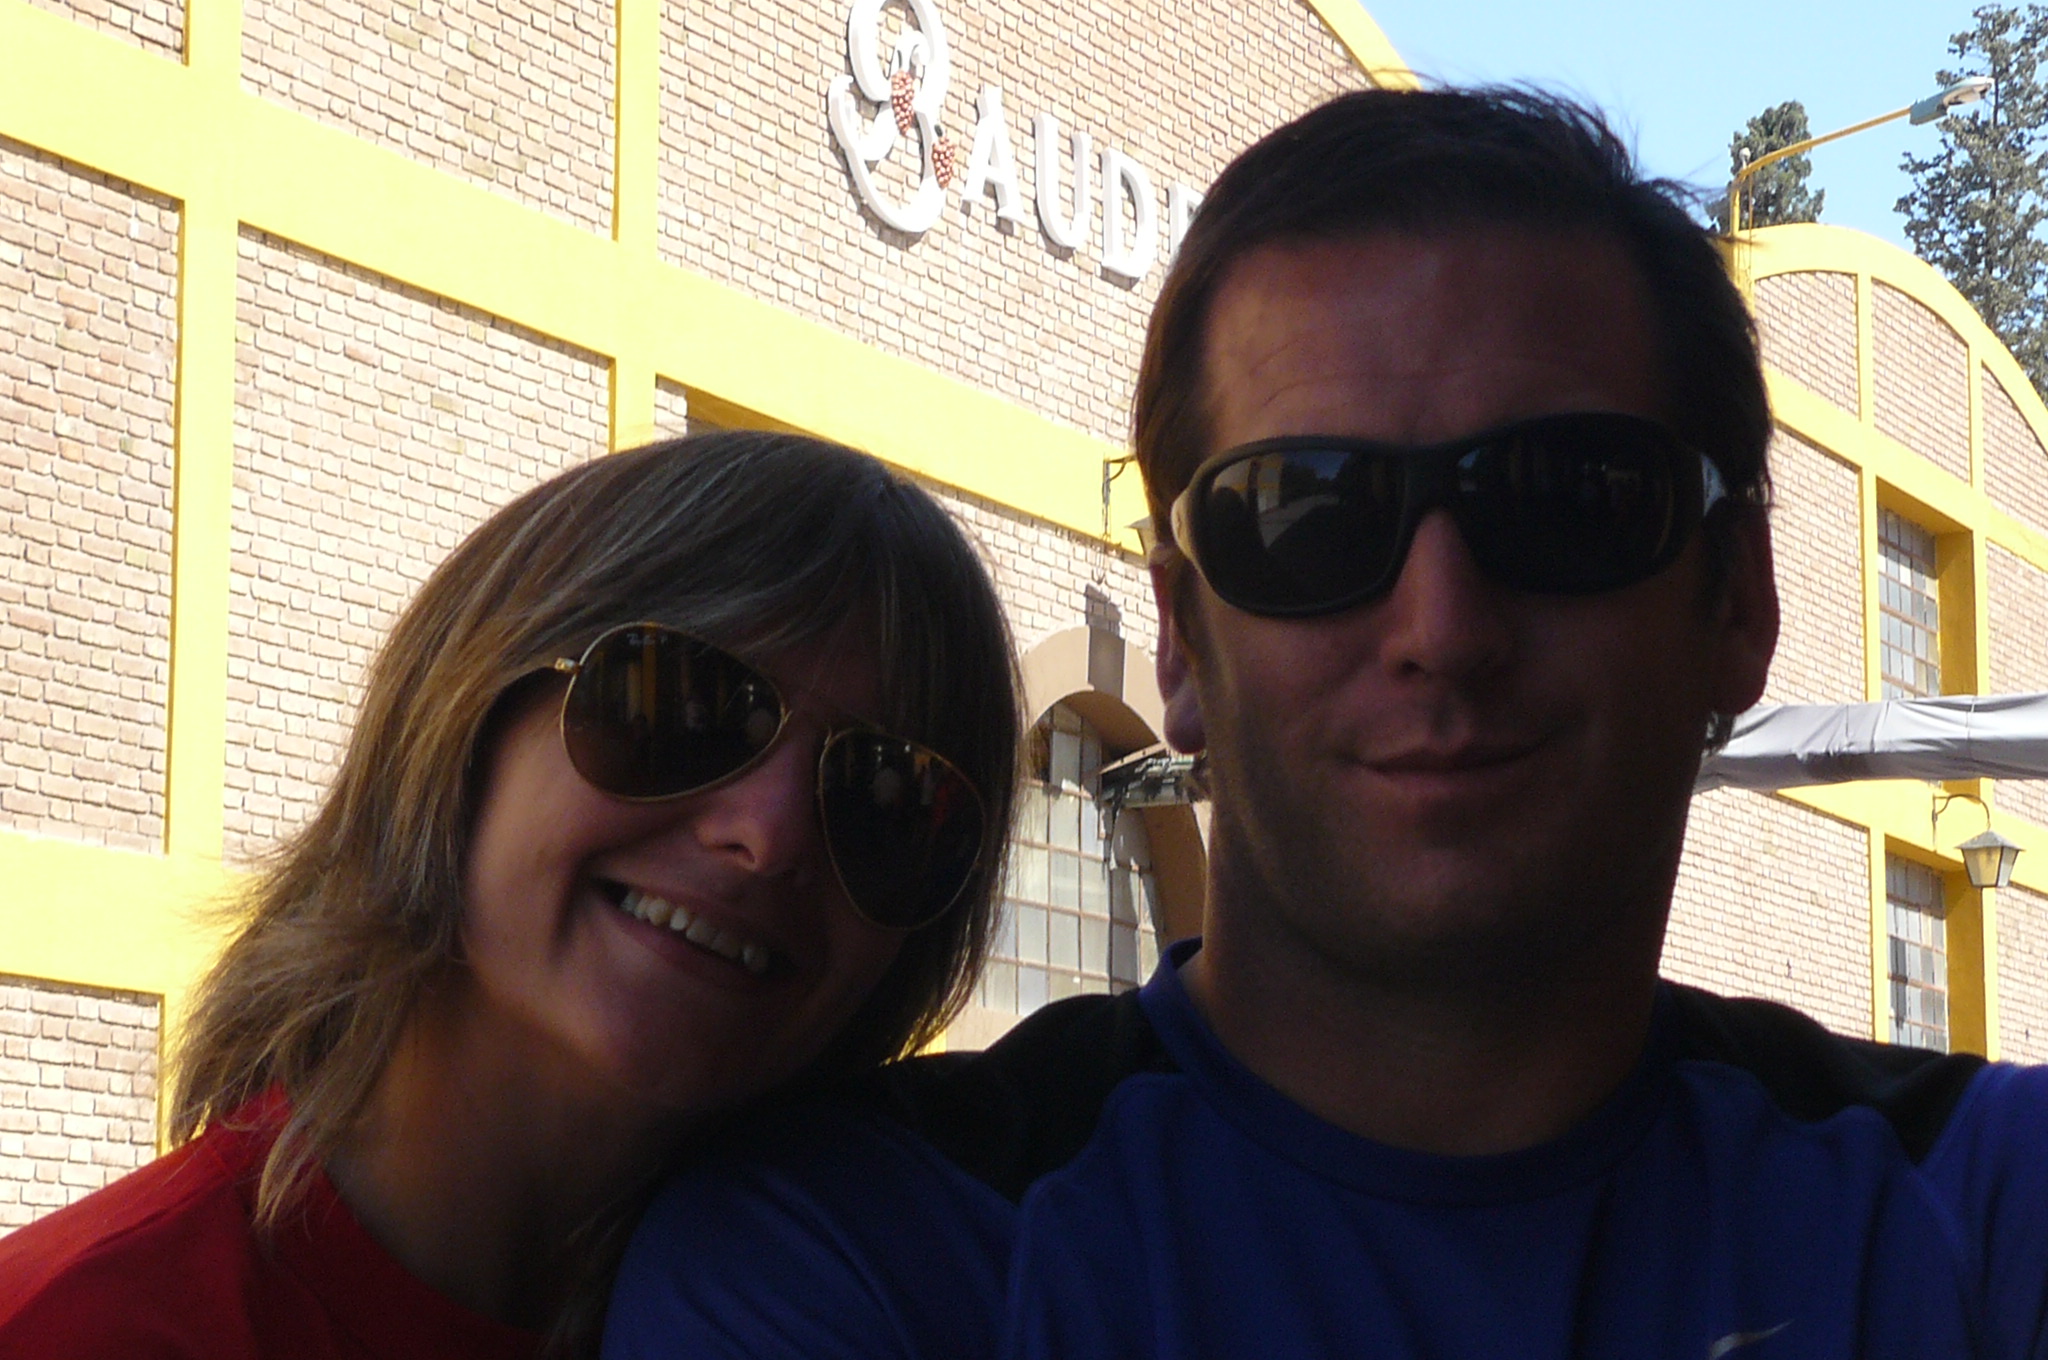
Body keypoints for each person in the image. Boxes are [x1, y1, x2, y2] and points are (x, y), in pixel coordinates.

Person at [604, 89, 2048, 1360]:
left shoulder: (1990, 1210)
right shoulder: (861, 1254)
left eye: (1567, 500)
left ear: (1737, 597)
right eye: (1299, 516)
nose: (1440, 628)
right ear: (1180, 639)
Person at [0, 430, 1019, 1358]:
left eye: (890, 797)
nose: (769, 835)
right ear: (466, 717)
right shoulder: (86, 1328)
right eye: (682, 703)